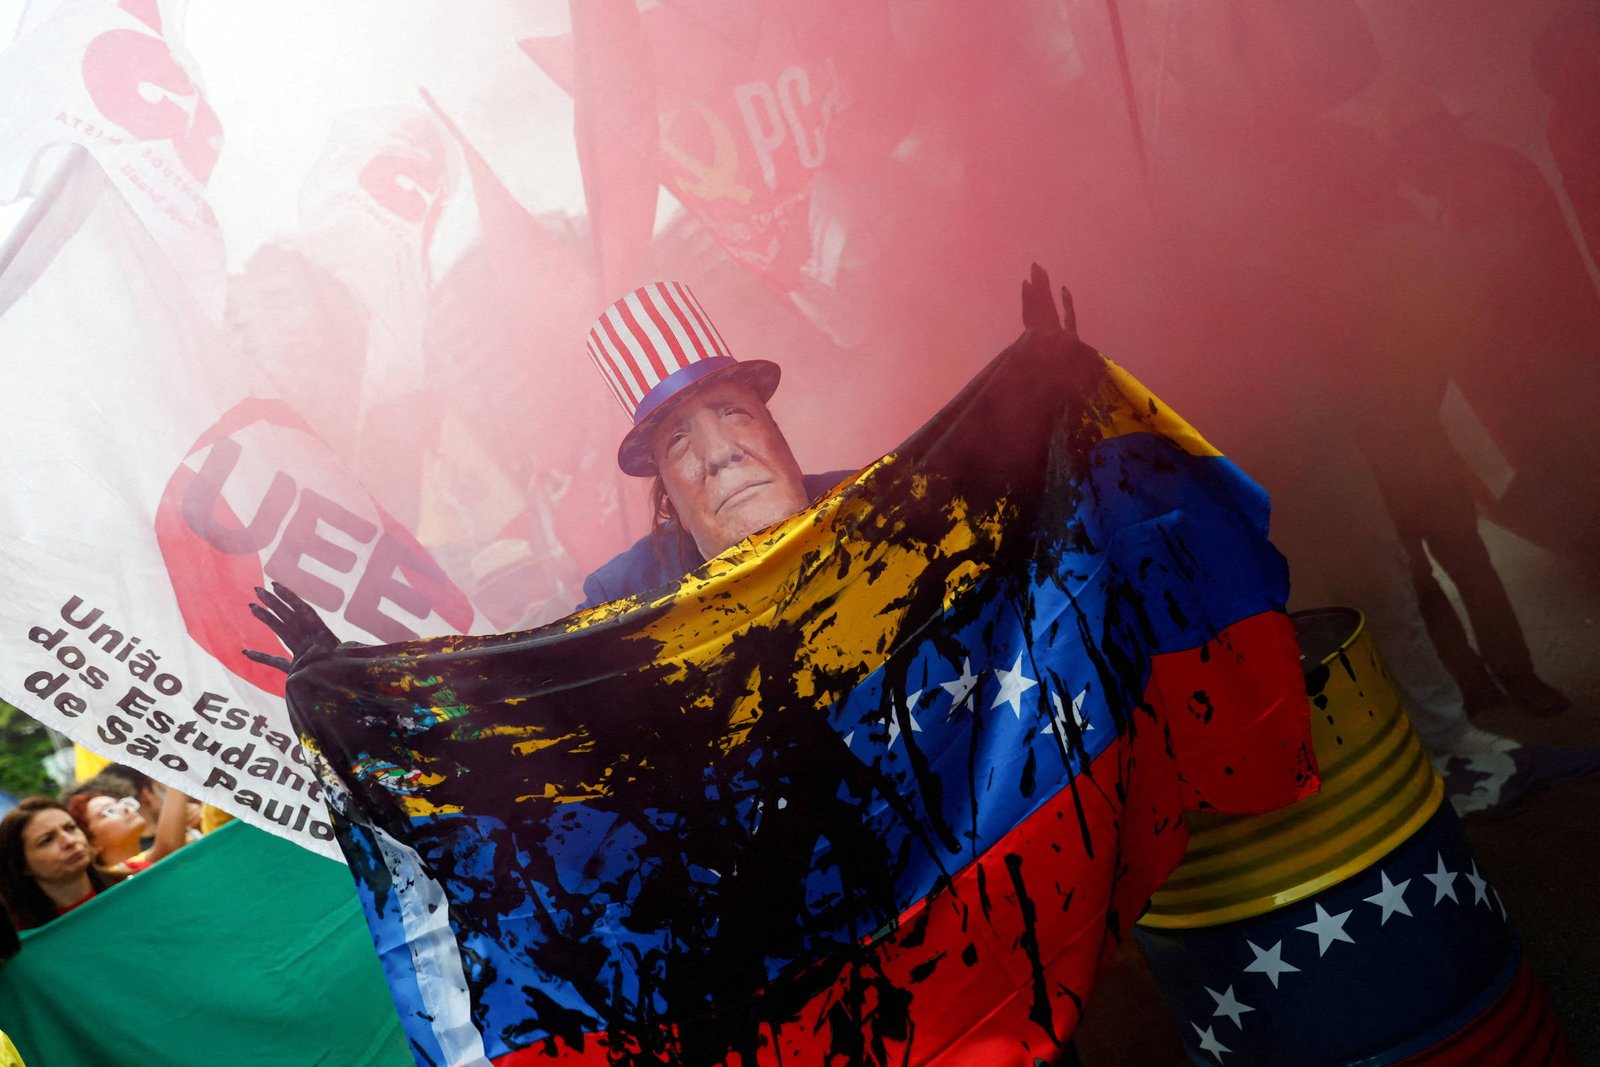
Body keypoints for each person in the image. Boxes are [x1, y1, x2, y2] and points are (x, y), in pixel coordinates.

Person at [0, 797, 124, 932]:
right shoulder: (26, 942)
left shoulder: (131, 884)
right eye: (47, 840)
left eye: (70, 828)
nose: (69, 841)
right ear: (22, 866)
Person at [64, 780, 194, 874]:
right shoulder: (112, 875)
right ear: (92, 843)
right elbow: (168, 847)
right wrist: (175, 779)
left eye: (120, 803)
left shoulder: (146, 855)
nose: (125, 809)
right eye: (109, 810)